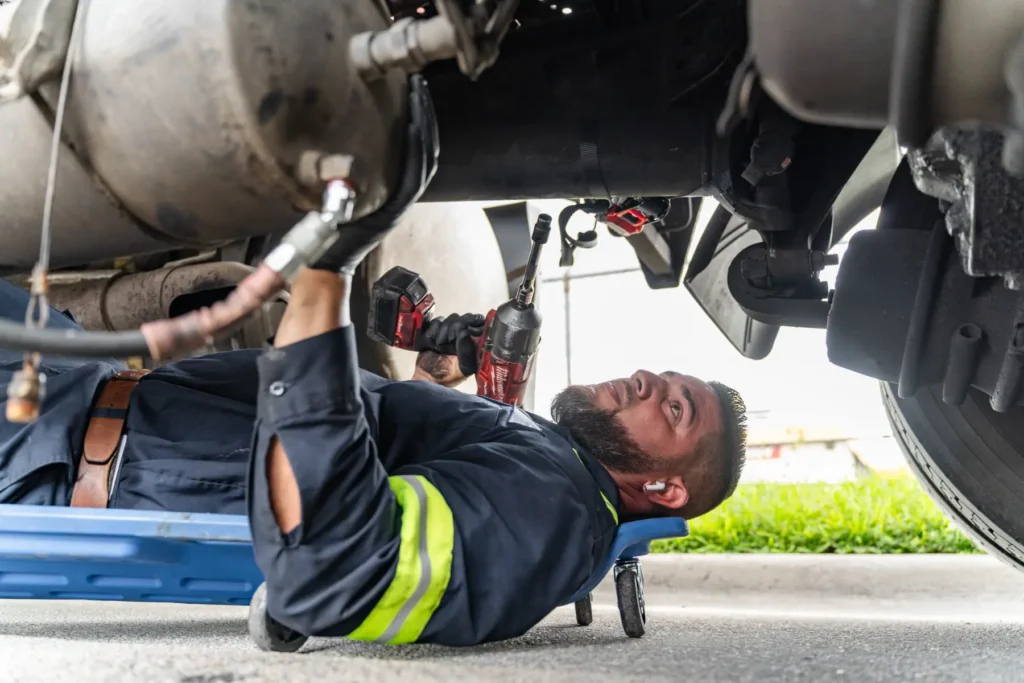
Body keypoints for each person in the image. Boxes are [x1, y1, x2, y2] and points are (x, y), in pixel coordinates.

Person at [0, 75, 748, 646]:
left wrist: (332, 263)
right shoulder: (553, 468)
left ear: (663, 487)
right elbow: (401, 463)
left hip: (53, 448)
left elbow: (338, 557)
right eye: (665, 376)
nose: (650, 380)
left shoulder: (555, 512)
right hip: (76, 391)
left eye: (674, 406)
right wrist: (434, 378)